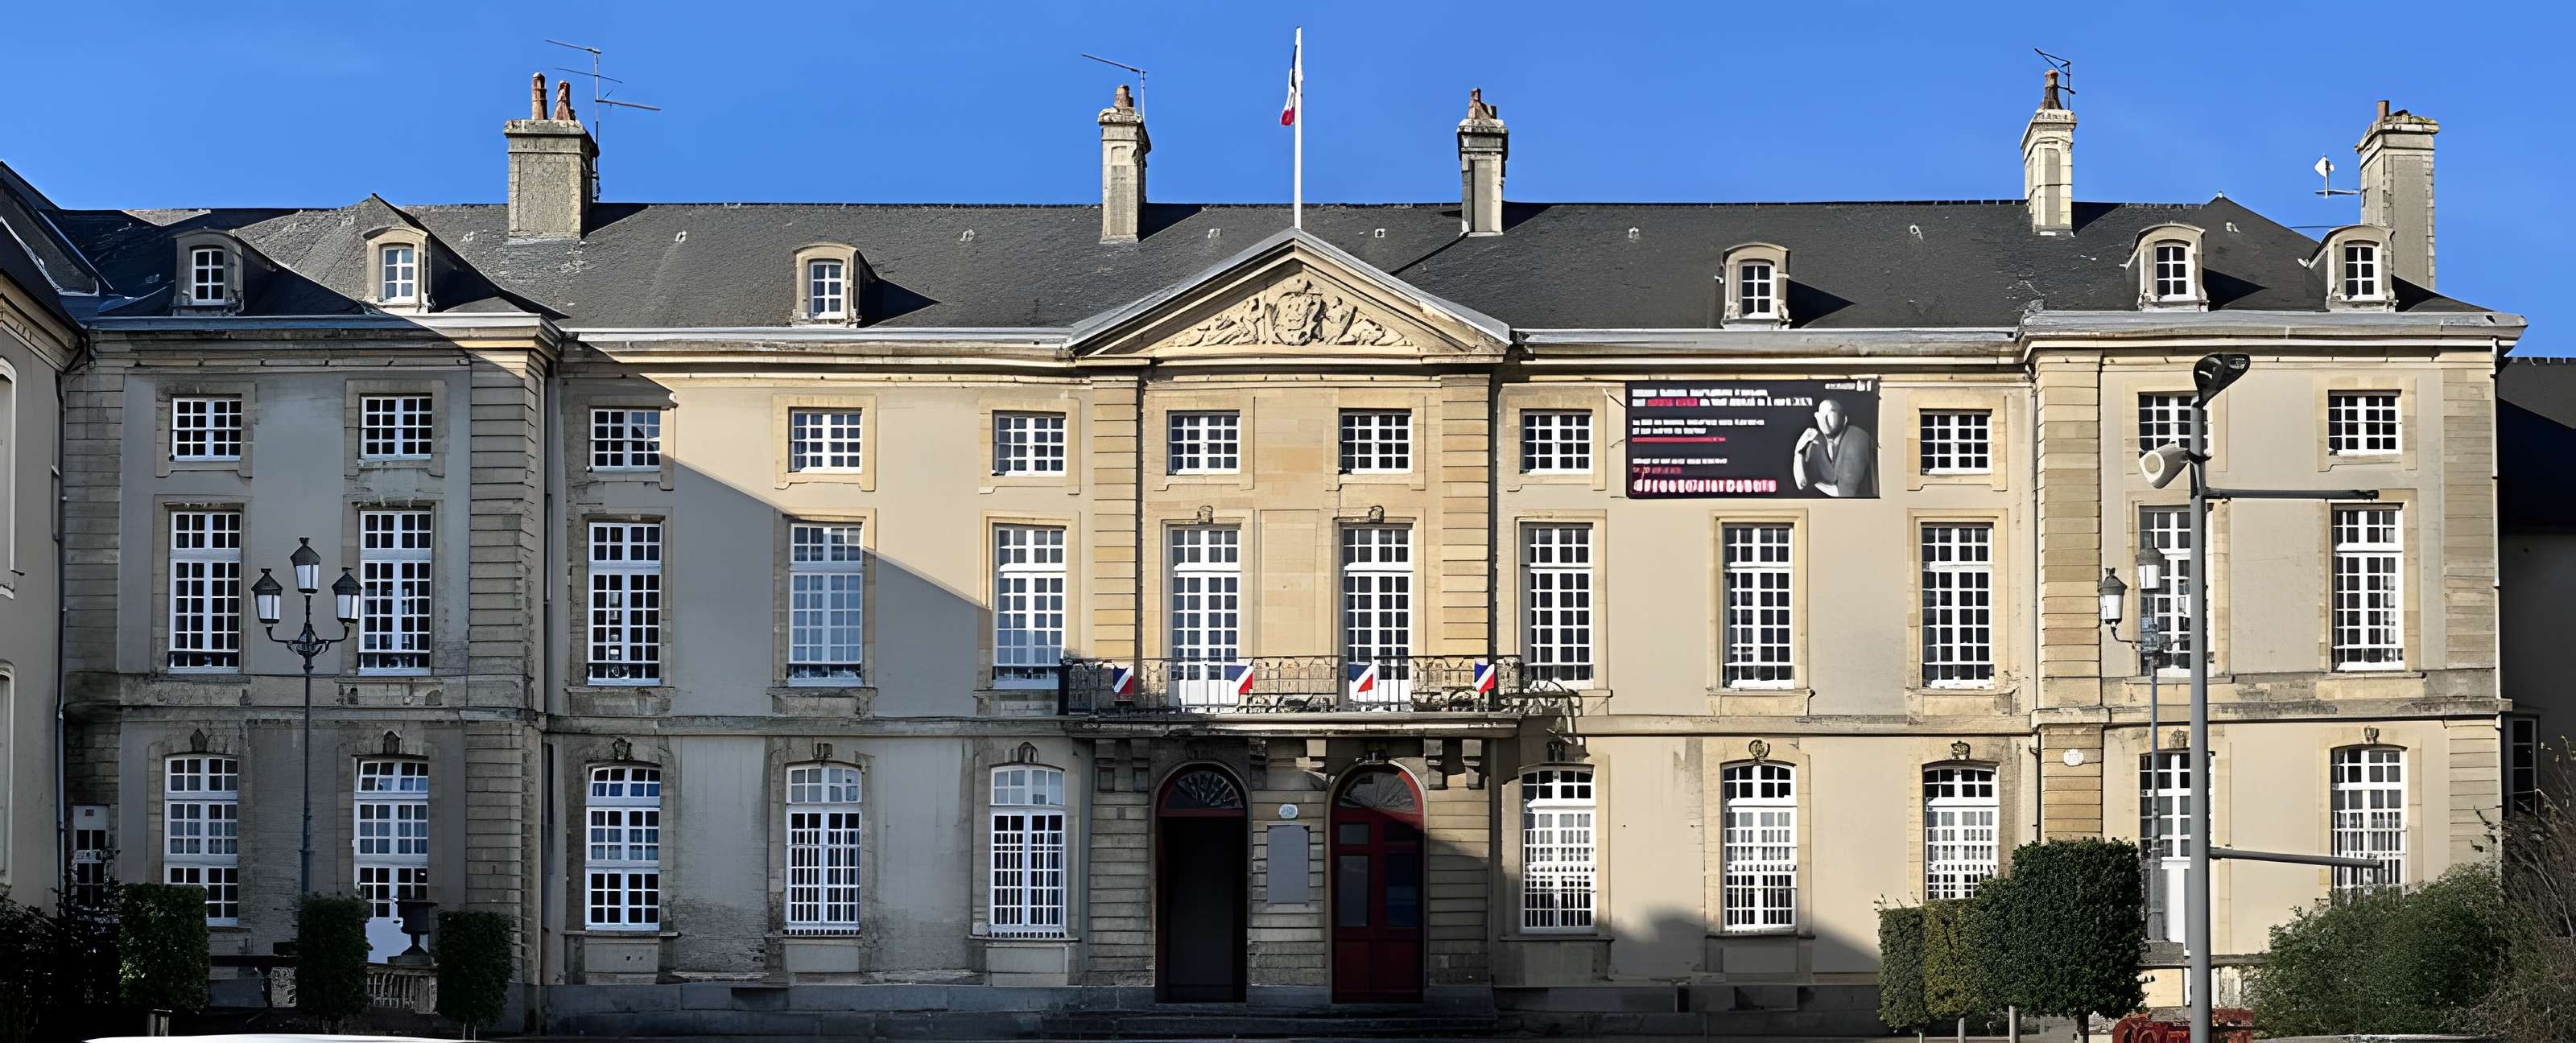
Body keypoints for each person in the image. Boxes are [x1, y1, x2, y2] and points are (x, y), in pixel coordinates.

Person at [1792, 397, 1875, 497]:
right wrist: (1799, 452)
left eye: (1831, 413)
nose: (1825, 419)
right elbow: (1801, 483)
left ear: (1844, 419)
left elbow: (1845, 493)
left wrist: (1812, 484)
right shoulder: (1818, 442)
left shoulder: (1856, 438)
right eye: (1821, 415)